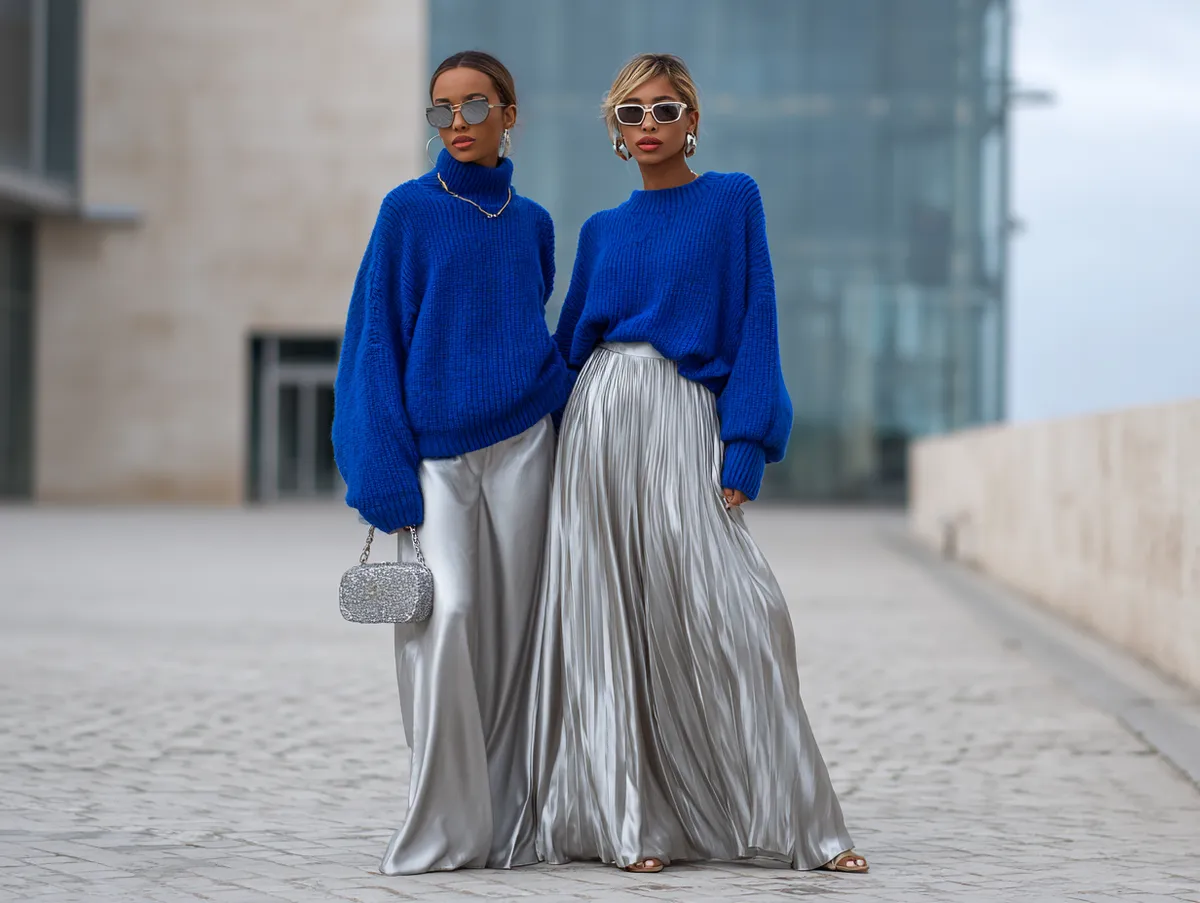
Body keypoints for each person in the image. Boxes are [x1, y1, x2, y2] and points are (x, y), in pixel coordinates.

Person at [533, 53, 868, 876]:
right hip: (599, 425)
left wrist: (746, 442)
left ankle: (808, 827)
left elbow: (758, 320)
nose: (648, 124)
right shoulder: (601, 231)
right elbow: (568, 348)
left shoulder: (731, 200)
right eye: (631, 113)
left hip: (685, 420)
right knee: (611, 624)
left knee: (745, 616)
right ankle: (630, 825)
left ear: (692, 119)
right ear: (615, 130)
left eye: (664, 109)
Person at [332, 50, 570, 876]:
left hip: (527, 443)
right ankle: (441, 826)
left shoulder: (534, 223)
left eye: (473, 106)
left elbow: (528, 324)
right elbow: (374, 343)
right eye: (442, 110)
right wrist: (380, 470)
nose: (457, 124)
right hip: (437, 456)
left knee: (516, 633)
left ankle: (508, 826)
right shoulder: (406, 212)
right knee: (450, 615)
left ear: (509, 114)